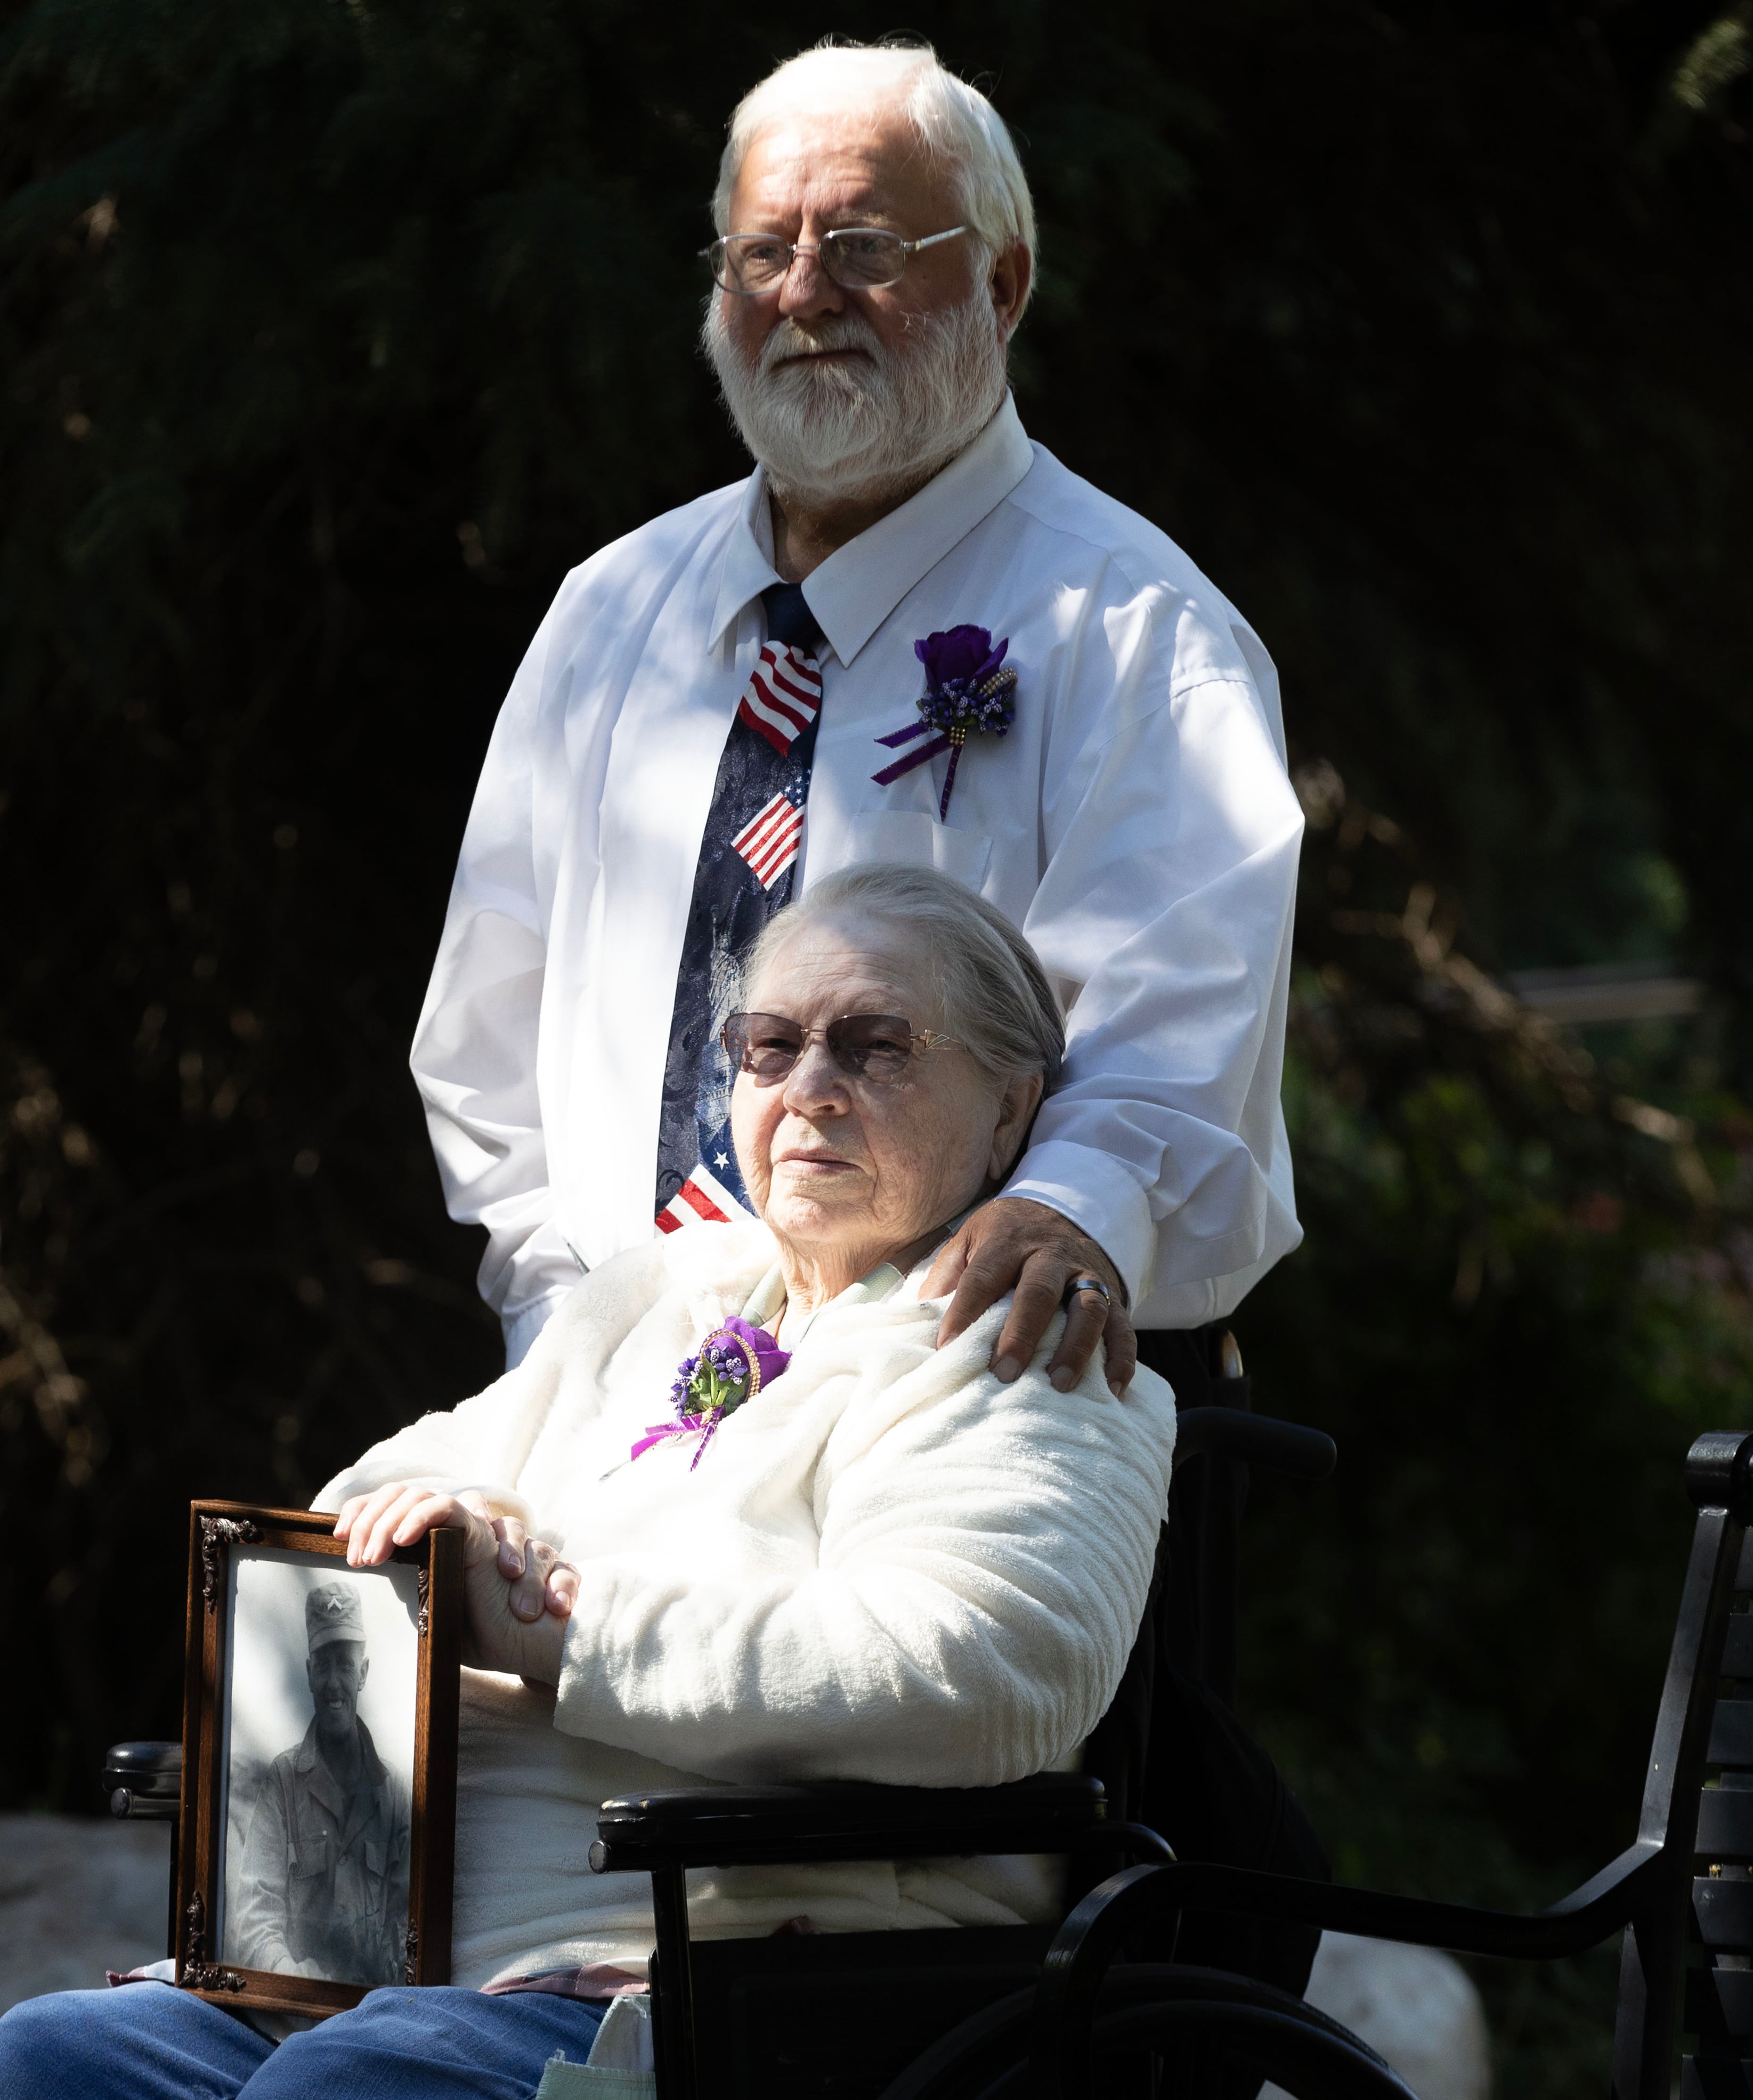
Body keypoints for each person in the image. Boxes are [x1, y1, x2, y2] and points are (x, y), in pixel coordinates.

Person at [0, 863, 1176, 2100]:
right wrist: (454, 1534)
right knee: (53, 2061)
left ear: (1014, 1107)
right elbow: (369, 1499)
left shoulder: (1034, 1352)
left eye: (875, 1046)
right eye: (769, 1047)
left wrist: (558, 1626)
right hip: (383, 1963)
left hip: (712, 1969)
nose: (810, 1090)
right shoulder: (664, 1295)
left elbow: (982, 1673)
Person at [413, 38, 1304, 1406]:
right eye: (760, 252)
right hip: (614, 1418)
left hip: (980, 1425)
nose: (806, 294)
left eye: (869, 247)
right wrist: (567, 1328)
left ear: (1001, 283)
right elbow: (485, 1043)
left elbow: (1181, 1045)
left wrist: (1073, 1219)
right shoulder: (609, 618)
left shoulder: (1139, 635)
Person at [228, 1581, 412, 1984]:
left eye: (345, 1665)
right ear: (310, 1673)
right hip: (296, 2012)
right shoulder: (283, 1782)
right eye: (323, 1665)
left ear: (363, 1673)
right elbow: (256, 1921)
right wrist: (301, 1988)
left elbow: (409, 1927)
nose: (333, 1682)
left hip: (374, 2011)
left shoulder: (394, 1793)